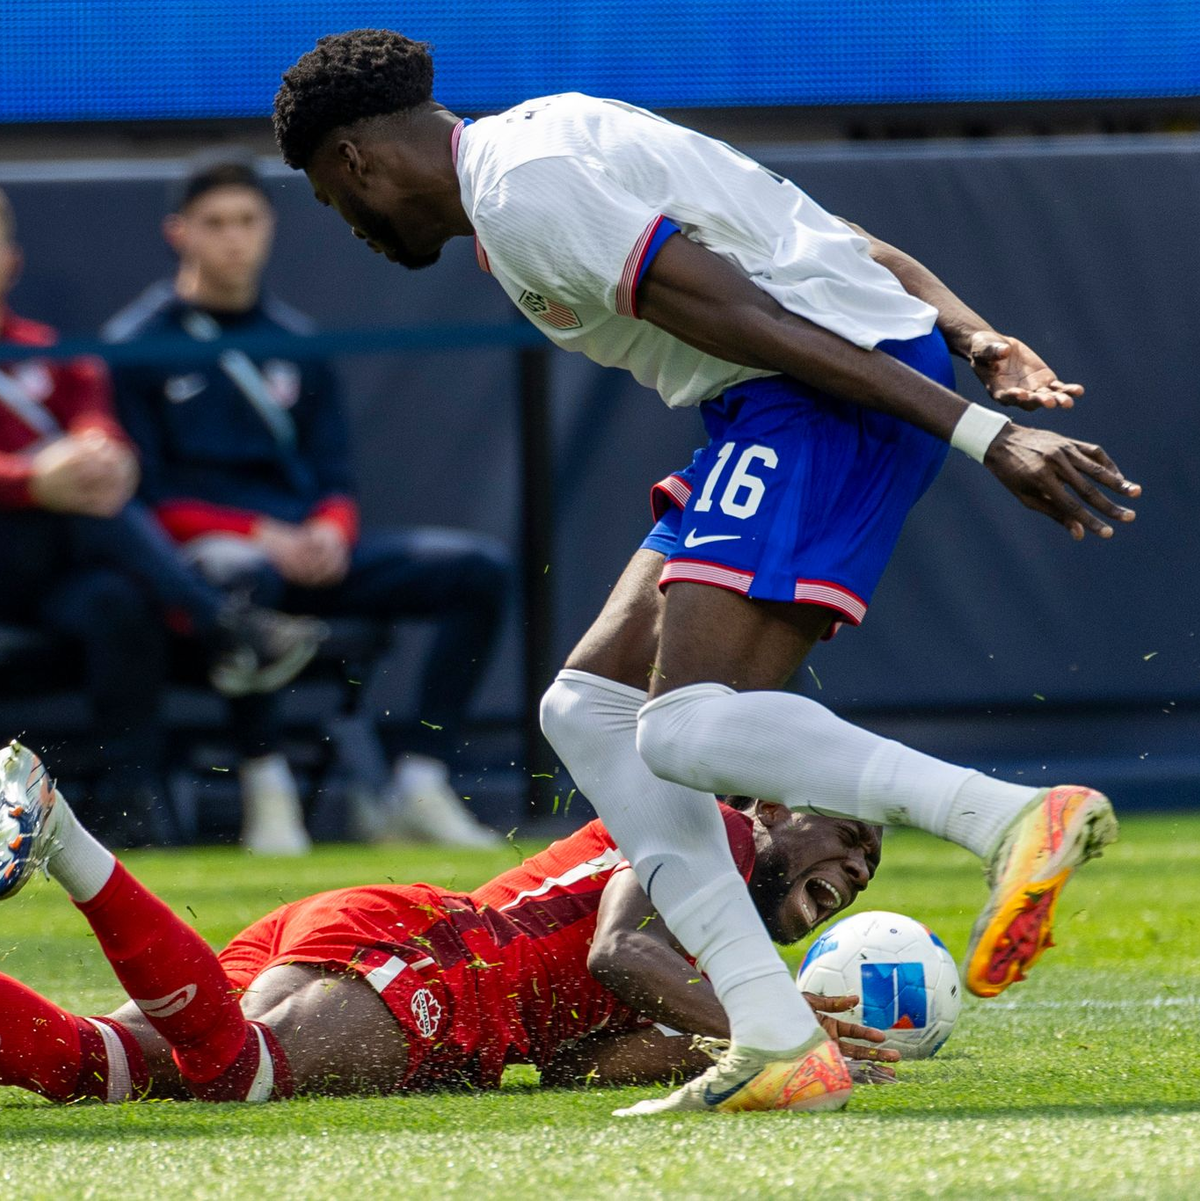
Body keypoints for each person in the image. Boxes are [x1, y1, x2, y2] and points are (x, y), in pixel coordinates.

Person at [271, 30, 1136, 1114]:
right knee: (586, 708)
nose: (348, 224)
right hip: (774, 404)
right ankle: (774, 1036)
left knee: (682, 729)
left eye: (329, 198)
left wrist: (984, 433)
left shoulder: (525, 191)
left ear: (355, 161)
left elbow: (760, 321)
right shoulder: (545, 136)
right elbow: (833, 240)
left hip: (815, 401)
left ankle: (1007, 816)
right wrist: (975, 334)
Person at [0, 740, 891, 1104]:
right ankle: (66, 834)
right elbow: (617, 950)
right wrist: (772, 1025)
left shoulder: (705, 959)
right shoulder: (717, 828)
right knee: (241, 1072)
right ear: (774, 804)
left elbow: (578, 1065)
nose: (857, 870)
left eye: (868, 870)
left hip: (412, 951)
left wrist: (729, 1053)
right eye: (852, 837)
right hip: (437, 962)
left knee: (94, 1066)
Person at [103, 153, 512, 855]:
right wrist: (260, 535)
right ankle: (268, 790)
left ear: (269, 227)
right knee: (244, 576)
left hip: (311, 552)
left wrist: (330, 528)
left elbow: (334, 472)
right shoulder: (135, 346)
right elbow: (145, 499)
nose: (234, 238)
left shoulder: (297, 341)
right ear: (179, 232)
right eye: (215, 223)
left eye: (247, 220)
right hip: (216, 568)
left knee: (480, 569)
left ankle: (421, 780)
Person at [0, 188, 325, 848]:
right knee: (101, 514)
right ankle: (225, 628)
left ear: (13, 258)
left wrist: (99, 454)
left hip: (67, 567)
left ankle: (130, 805)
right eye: (218, 222)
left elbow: (99, 423)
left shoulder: (52, 351)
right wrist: (34, 480)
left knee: (118, 599)